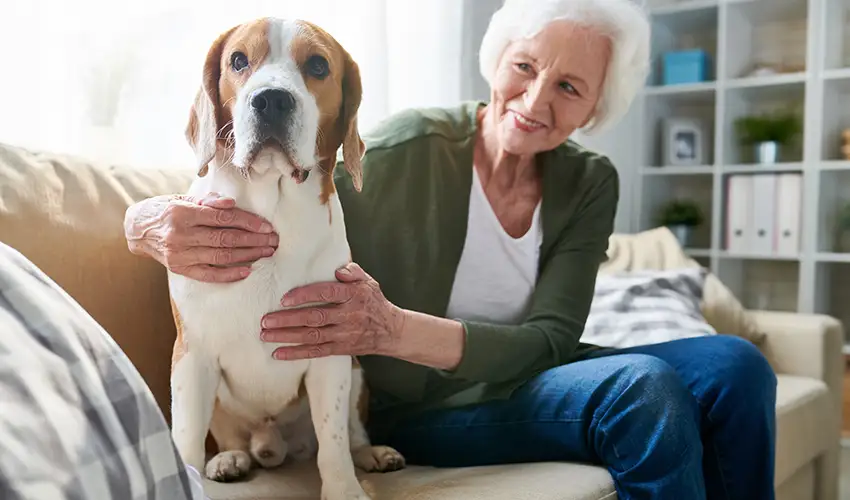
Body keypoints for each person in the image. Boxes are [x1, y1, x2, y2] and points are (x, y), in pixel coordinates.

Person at [123, 0, 777, 498]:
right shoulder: (409, 147)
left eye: (570, 88)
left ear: (595, 109)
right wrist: (144, 218)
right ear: (499, 63)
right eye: (526, 67)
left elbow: (554, 336)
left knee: (736, 364)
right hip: (423, 404)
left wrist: (396, 327)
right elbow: (292, 180)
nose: (536, 99)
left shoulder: (589, 180)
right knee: (646, 388)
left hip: (535, 375)